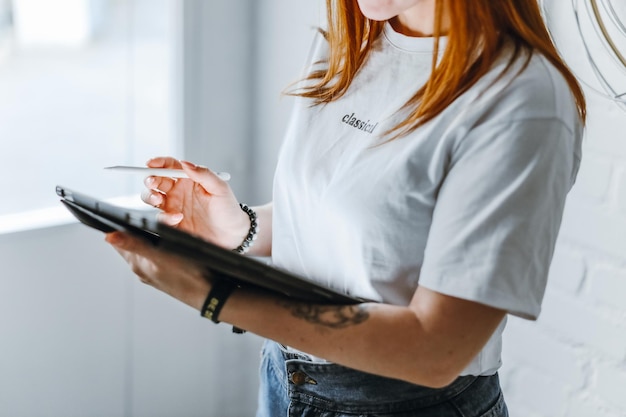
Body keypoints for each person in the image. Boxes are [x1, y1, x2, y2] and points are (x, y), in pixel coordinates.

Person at [105, 0, 586, 416]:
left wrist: (217, 294)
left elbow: (437, 350)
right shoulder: (350, 44)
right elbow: (358, 218)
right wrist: (240, 229)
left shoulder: (522, 99)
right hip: (285, 379)